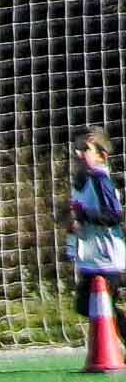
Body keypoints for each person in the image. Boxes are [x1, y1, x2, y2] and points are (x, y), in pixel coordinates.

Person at [66, 130, 122, 339]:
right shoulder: (81, 181)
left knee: (103, 307)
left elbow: (114, 215)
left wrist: (86, 215)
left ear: (102, 156)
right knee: (85, 306)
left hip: (107, 259)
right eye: (76, 149)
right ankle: (106, 349)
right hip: (91, 259)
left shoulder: (100, 180)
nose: (78, 153)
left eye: (85, 149)